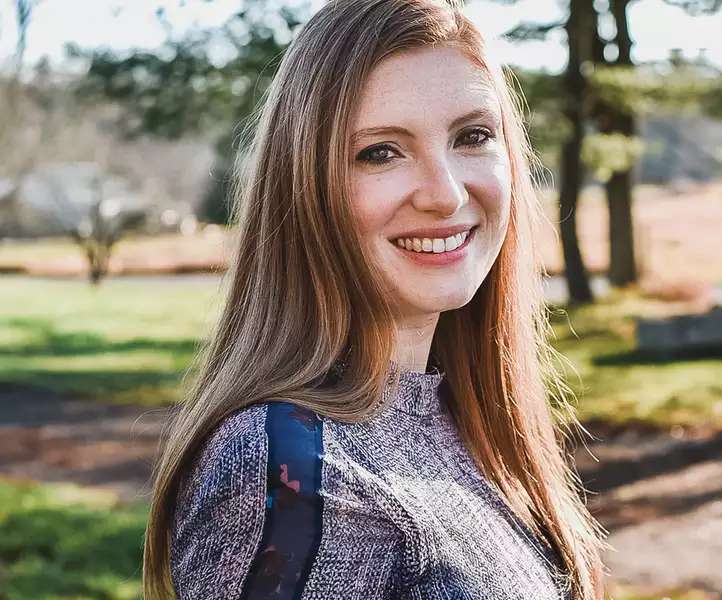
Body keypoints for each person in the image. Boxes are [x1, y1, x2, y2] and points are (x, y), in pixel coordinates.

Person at [142, 0, 607, 598]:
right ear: (306, 186)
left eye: (472, 136)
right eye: (381, 151)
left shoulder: (459, 421)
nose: (444, 193)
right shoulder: (288, 475)